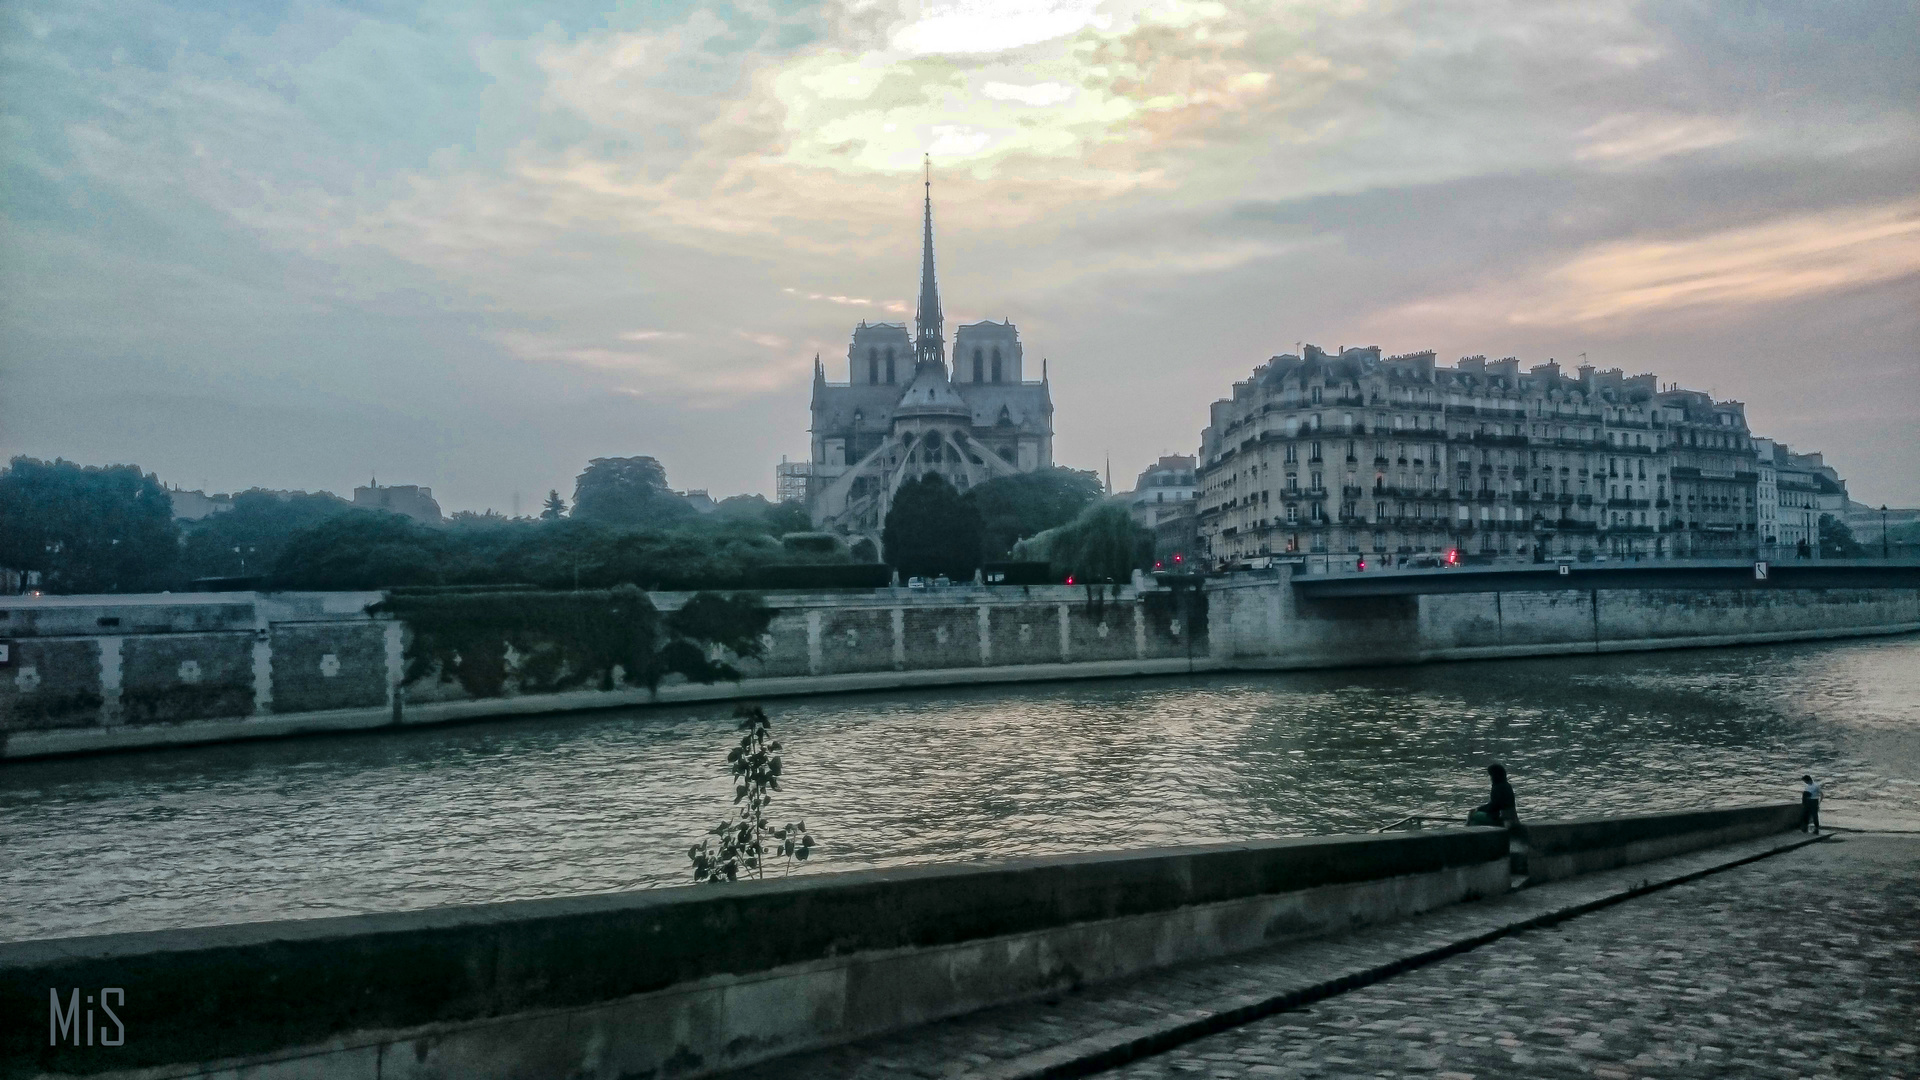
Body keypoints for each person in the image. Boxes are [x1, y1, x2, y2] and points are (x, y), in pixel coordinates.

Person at [1471, 763, 1517, 827]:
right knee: (1475, 822)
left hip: (1501, 818)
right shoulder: (1507, 785)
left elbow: (1494, 806)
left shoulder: (1497, 787)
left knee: (1473, 815)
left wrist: (1478, 809)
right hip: (1512, 818)